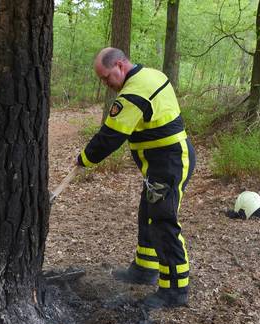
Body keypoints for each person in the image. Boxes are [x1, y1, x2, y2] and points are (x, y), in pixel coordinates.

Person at [75, 47, 196, 309]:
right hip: (161, 163)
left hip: (170, 162)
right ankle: (145, 268)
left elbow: (111, 136)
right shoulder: (151, 75)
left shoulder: (133, 92)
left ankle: (175, 288)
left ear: (120, 65)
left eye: (107, 78)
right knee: (148, 213)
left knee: (163, 220)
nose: (107, 85)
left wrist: (84, 159)